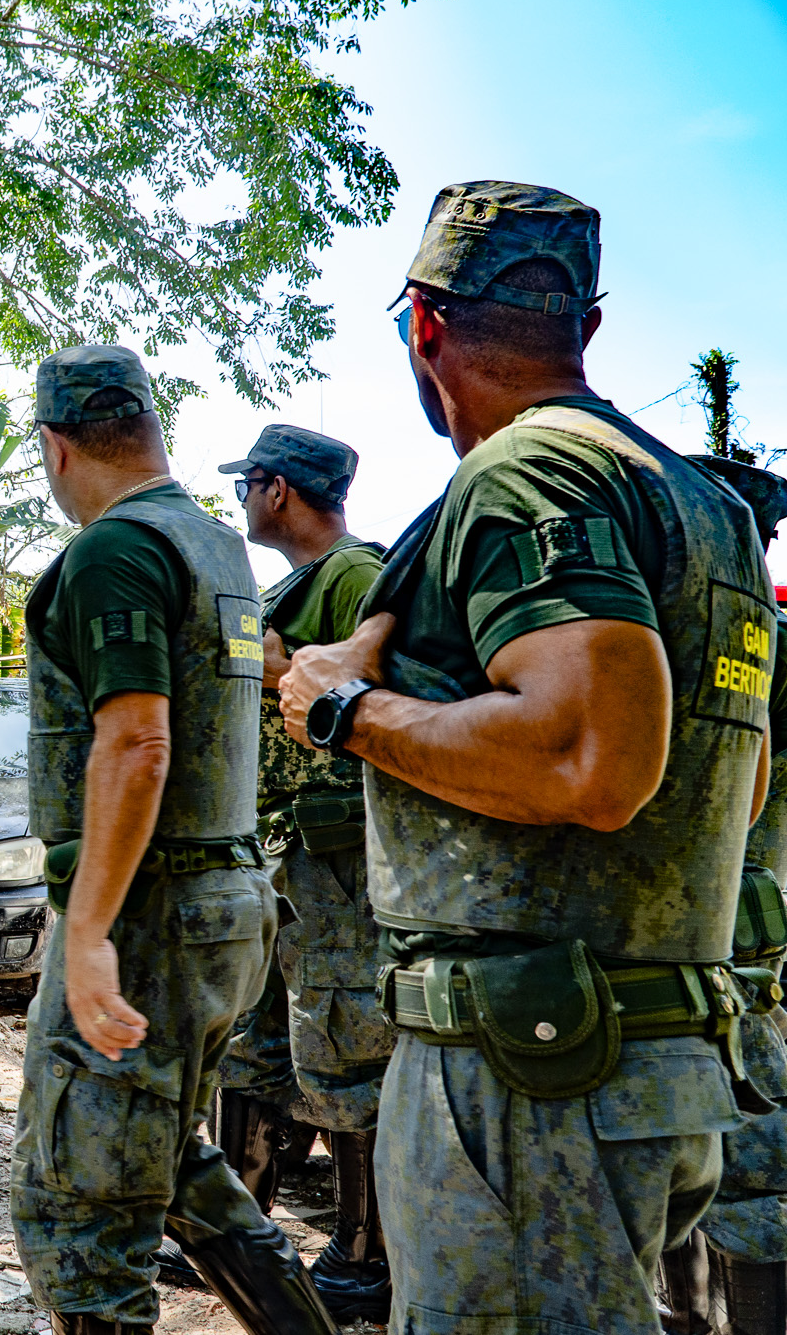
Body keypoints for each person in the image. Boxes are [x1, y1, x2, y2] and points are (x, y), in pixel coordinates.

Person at [280, 181, 773, 1335]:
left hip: (520, 1081)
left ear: (422, 325)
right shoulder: (708, 510)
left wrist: (340, 711)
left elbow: (587, 759)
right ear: (585, 326)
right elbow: (731, 787)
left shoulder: (526, 475)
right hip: (650, 1060)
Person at [10, 344, 337, 1335]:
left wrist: (86, 931)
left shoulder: (116, 548)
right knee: (170, 1159)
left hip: (148, 914)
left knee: (81, 1211)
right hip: (223, 900)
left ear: (54, 447)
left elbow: (138, 741)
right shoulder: (213, 545)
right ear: (148, 428)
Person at [207, 425, 393, 1321]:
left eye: (249, 483)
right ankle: (238, 1231)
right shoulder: (299, 585)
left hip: (337, 862)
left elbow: (393, 706)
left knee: (347, 1044)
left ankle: (364, 1250)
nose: (243, 498)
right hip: (281, 859)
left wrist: (297, 679)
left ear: (277, 490)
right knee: (254, 1043)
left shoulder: (358, 575)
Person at [662, 456, 787, 1335]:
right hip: (742, 919)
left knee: (743, 1155)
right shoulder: (764, 629)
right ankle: (690, 1313)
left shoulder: (721, 629)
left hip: (719, 924)